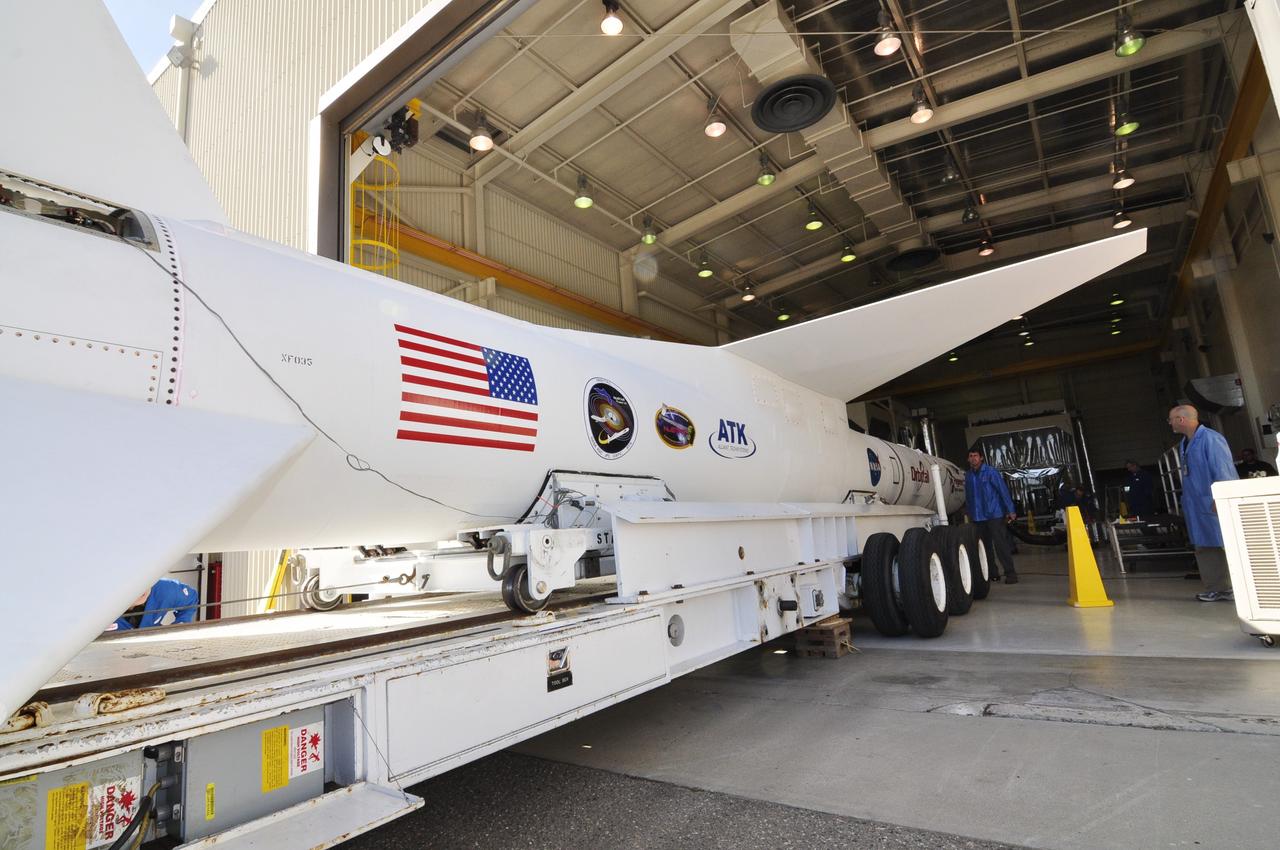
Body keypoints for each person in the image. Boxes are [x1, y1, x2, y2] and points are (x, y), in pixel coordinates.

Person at [1168, 405, 1238, 602]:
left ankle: (1232, 586)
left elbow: (1224, 470)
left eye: (1171, 419)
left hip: (1212, 503)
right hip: (1197, 505)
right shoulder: (1186, 443)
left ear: (1181, 419)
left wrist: (1221, 497)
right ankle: (1217, 587)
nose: (1170, 423)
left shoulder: (1210, 439)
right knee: (1204, 546)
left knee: (1223, 544)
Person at [964, 448, 1018, 584]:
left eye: (975, 455)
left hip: (995, 514)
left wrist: (1010, 510)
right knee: (985, 547)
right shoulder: (968, 476)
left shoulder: (991, 472)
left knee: (1001, 545)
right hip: (978, 517)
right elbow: (969, 497)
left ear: (981, 458)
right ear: (968, 459)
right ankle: (993, 573)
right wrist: (970, 513)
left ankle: (1011, 574)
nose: (973, 458)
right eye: (971, 456)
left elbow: (1003, 490)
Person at [109, 578, 198, 631]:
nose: (142, 589)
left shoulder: (165, 590)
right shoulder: (100, 609)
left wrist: (182, 622)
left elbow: (191, 599)